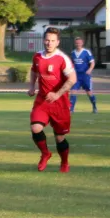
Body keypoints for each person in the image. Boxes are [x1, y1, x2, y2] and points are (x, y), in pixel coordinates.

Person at [28, 27, 76, 173]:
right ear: (44, 40)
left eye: (53, 41)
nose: (49, 43)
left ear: (57, 42)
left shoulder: (62, 58)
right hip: (42, 101)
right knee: (35, 128)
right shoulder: (37, 57)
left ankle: (64, 162)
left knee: (59, 138)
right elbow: (33, 71)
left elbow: (72, 79)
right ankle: (45, 153)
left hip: (59, 103)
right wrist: (31, 87)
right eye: (47, 40)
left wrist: (57, 94)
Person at [69, 37, 97, 113]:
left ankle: (94, 106)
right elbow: (71, 64)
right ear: (75, 44)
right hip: (76, 76)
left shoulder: (86, 52)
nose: (78, 44)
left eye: (79, 43)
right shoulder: (73, 53)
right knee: (73, 91)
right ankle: (71, 109)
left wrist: (90, 70)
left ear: (82, 43)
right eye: (77, 43)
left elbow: (92, 62)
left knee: (89, 92)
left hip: (85, 76)